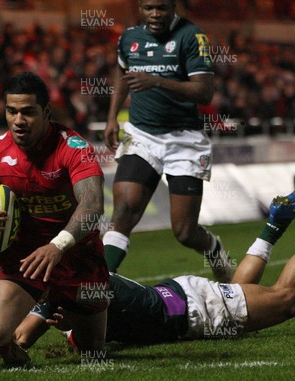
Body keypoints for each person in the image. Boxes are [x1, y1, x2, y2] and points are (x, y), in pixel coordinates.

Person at [0, 187, 295, 355]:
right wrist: (3, 342)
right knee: (240, 290)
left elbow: (22, 337)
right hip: (181, 294)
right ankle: (276, 223)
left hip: (188, 312)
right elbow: (29, 331)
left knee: (287, 301)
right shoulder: (81, 277)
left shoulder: (60, 291)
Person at [0, 72, 109, 365]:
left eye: (28, 112)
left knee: (92, 353)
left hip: (77, 255)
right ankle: (18, 355)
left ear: (46, 113)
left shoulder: (74, 149)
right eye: (11, 111)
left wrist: (57, 246)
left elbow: (93, 207)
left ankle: (60, 317)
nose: (18, 120)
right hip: (24, 260)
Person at [101, 0, 233, 281]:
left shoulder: (191, 36)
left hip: (184, 140)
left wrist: (157, 81)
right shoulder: (129, 38)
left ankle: (214, 248)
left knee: (184, 232)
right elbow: (123, 74)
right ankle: (97, 287)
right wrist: (112, 117)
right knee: (123, 212)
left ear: (173, 6)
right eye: (149, 8)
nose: (155, 14)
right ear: (140, 7)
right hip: (141, 136)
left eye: (162, 8)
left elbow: (204, 92)